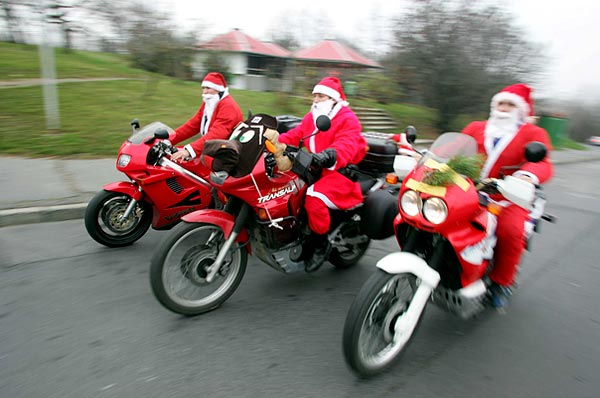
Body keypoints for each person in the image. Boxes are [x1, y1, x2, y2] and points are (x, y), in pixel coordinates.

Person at [462, 83, 554, 307]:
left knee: (511, 231)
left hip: (508, 195)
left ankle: (501, 282)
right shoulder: (476, 127)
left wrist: (526, 176)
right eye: (501, 103)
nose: (504, 108)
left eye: (510, 104)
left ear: (520, 110)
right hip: (469, 188)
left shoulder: (533, 133)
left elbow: (542, 162)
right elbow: (455, 146)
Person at [277, 76, 367, 272]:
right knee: (289, 188)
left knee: (313, 197)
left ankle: (320, 243)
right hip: (318, 167)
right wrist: (274, 143)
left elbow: (347, 144)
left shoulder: (347, 118)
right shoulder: (313, 117)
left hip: (340, 172)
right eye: (315, 95)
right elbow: (297, 133)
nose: (316, 100)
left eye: (321, 96)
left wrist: (329, 154)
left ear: (333, 99)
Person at [170, 72, 243, 162]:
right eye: (203, 88)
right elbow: (192, 125)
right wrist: (169, 139)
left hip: (225, 157)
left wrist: (189, 150)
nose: (205, 92)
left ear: (218, 89)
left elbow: (217, 134)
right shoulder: (210, 103)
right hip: (214, 149)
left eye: (208, 88)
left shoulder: (228, 106)